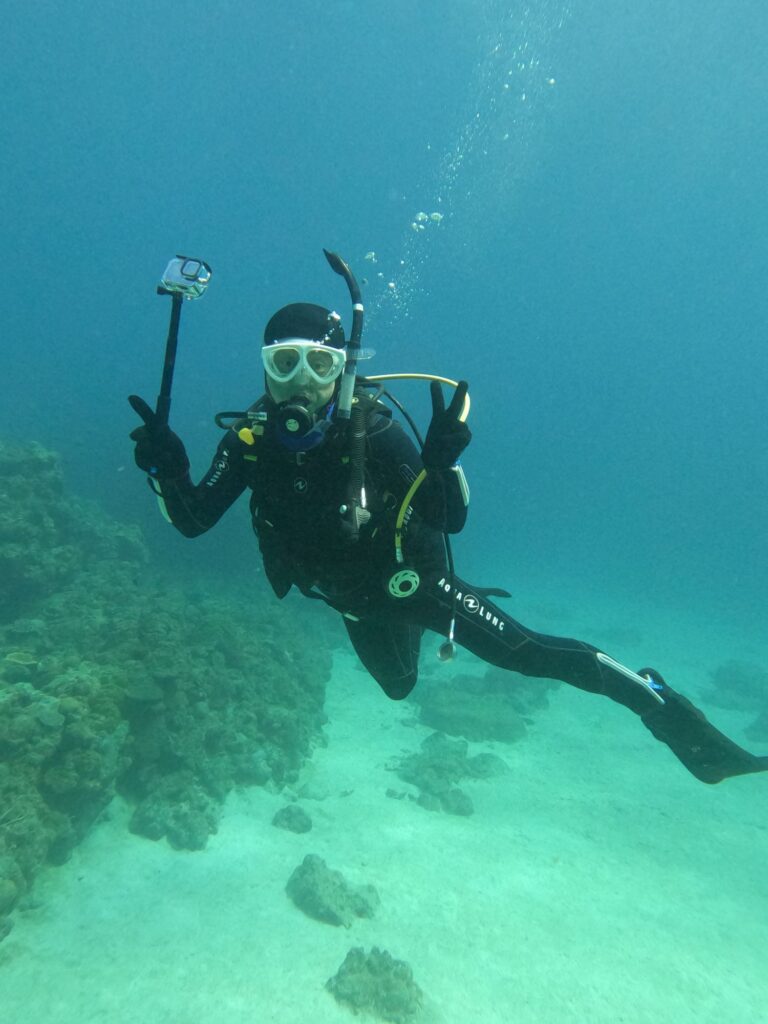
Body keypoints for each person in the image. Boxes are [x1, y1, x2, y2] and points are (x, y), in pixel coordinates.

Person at [129, 268, 768, 786]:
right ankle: (398, 631)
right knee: (399, 688)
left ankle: (667, 712)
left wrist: (442, 464)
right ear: (265, 367)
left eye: (320, 366)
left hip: (414, 581)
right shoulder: (248, 443)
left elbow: (448, 520)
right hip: (350, 599)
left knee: (529, 654)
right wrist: (170, 470)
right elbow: (192, 520)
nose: (302, 382)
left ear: (343, 369)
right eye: (285, 363)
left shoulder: (375, 434)